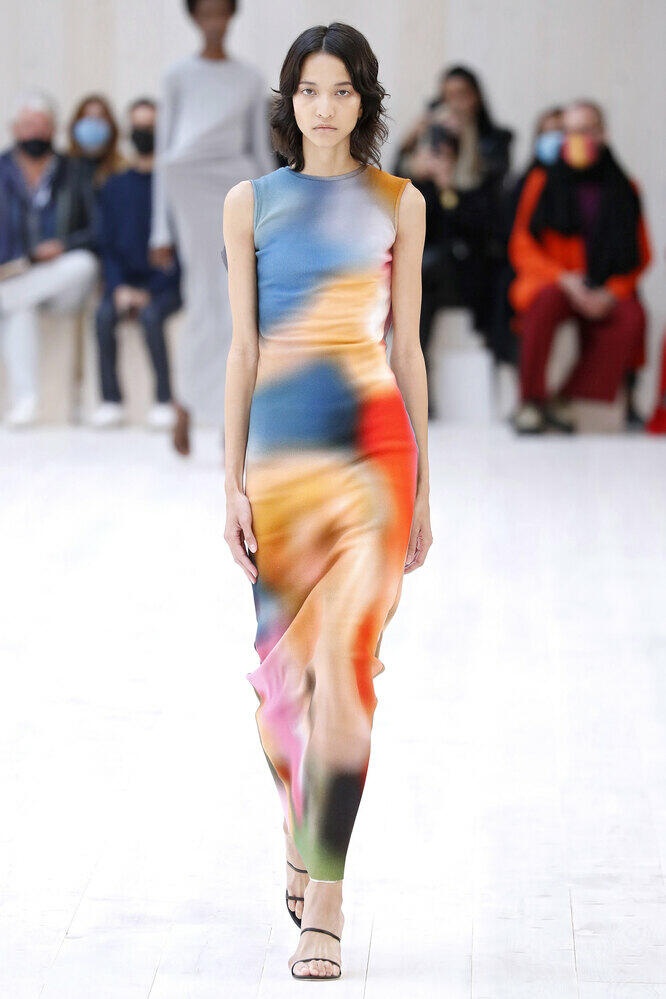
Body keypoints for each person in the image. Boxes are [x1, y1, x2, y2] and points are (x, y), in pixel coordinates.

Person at [222, 21, 432, 981]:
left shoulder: (399, 202)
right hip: (281, 471)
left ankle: (330, 900)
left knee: (345, 675)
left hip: (375, 462)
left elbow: (406, 349)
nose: (324, 107)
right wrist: (229, 480)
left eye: (342, 89)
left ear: (364, 100)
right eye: (309, 89)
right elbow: (243, 350)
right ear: (289, 100)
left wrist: (423, 485)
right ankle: (300, 831)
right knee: (284, 693)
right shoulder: (251, 203)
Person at [149, 0, 275, 456]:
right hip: (189, 185)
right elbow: (164, 156)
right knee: (202, 299)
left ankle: (230, 418)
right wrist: (159, 232)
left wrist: (272, 211)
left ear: (231, 15)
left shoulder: (250, 78)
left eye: (221, 11)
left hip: (235, 186)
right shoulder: (177, 76)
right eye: (206, 12)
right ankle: (185, 405)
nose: (214, 20)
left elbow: (259, 151)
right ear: (194, 17)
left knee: (238, 301)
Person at [508, 100, 652, 434]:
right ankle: (530, 402)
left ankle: (566, 398)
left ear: (602, 134)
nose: (576, 139)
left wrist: (611, 292)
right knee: (542, 304)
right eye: (569, 132)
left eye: (585, 130)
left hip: (604, 285)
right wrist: (563, 279)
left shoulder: (625, 188)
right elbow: (522, 244)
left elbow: (640, 254)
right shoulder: (541, 182)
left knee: (631, 316)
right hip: (555, 282)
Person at [395, 66, 513, 365]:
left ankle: (413, 370)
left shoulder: (490, 148)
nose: (455, 104)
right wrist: (415, 168)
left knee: (424, 270)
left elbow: (484, 223)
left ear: (477, 98)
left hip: (471, 262)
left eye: (462, 95)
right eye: (448, 96)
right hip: (433, 256)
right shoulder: (431, 146)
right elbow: (403, 210)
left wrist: (448, 187)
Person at [0, 91, 98, 427]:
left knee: (84, 263)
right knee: (20, 307)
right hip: (15, 276)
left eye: (42, 126)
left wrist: (64, 245)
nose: (36, 133)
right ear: (15, 129)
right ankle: (27, 401)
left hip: (63, 278)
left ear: (53, 129)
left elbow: (96, 229)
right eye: (29, 125)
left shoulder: (74, 171)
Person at [90, 98, 182, 429]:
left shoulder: (174, 186)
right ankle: (110, 401)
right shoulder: (114, 186)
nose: (144, 133)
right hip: (125, 283)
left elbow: (182, 251)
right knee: (102, 317)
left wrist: (152, 290)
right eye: (138, 126)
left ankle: (163, 400)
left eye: (150, 127)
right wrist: (118, 287)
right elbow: (107, 245)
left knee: (152, 316)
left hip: (166, 286)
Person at [488, 106, 565, 372]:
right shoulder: (528, 182)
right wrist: (557, 276)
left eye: (560, 132)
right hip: (533, 274)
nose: (554, 139)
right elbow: (518, 241)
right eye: (547, 133)